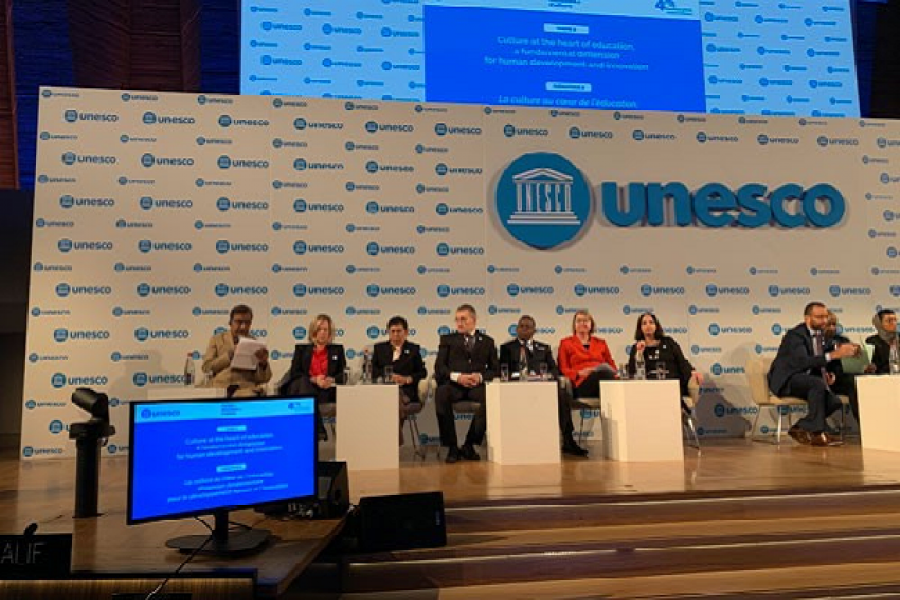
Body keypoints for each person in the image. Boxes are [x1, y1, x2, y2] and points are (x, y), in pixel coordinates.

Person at [767, 302, 859, 446]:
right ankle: (817, 433)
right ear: (807, 318)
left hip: (808, 380)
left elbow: (822, 361)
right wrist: (834, 354)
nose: (824, 321)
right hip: (787, 379)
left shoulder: (822, 336)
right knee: (816, 384)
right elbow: (803, 362)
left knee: (833, 402)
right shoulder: (795, 335)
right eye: (819, 317)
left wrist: (830, 373)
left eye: (825, 317)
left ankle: (801, 427)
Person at [499, 315, 589, 457]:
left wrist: (545, 376)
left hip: (542, 387)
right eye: (521, 326)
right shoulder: (507, 348)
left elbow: (554, 370)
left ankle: (568, 439)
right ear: (516, 329)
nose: (523, 329)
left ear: (534, 330)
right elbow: (503, 371)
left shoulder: (544, 348)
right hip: (517, 388)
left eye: (527, 327)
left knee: (562, 393)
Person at [434, 304, 499, 464]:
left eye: (463, 319)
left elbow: (495, 369)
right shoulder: (447, 340)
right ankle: (452, 447)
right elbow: (439, 368)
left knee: (491, 397)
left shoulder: (487, 342)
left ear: (474, 320)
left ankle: (469, 444)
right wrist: (458, 377)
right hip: (454, 386)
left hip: (476, 386)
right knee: (441, 393)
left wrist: (480, 377)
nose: (459, 323)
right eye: (457, 320)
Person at [280, 314, 347, 439]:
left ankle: (314, 430)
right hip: (305, 388)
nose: (322, 333)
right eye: (319, 329)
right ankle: (319, 429)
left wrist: (331, 380)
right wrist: (315, 379)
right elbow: (295, 372)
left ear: (330, 332)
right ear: (313, 331)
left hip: (325, 391)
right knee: (303, 382)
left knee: (308, 392)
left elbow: (343, 374)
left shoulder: (337, 350)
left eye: (325, 330)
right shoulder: (301, 349)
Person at [626, 313, 703, 412]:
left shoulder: (668, 342)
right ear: (640, 328)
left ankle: (678, 412)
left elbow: (682, 361)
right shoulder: (636, 347)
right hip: (650, 387)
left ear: (656, 325)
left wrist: (693, 371)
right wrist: (639, 353)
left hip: (671, 383)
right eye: (644, 323)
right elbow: (632, 371)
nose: (648, 325)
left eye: (651, 322)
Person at [371, 316, 428, 444]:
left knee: (394, 399)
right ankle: (395, 441)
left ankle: (389, 443)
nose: (396, 334)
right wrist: (388, 376)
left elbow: (422, 372)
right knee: (393, 400)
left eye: (399, 331)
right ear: (388, 332)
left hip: (406, 391)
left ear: (406, 332)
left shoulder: (413, 349)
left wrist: (407, 379)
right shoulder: (379, 349)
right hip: (383, 391)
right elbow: (372, 370)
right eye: (393, 331)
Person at [201, 304, 271, 396]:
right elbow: (206, 367)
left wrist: (263, 364)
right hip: (221, 388)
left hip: (246, 391)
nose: (243, 327)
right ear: (230, 322)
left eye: (247, 323)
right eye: (239, 322)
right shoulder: (217, 340)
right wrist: (230, 355)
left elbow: (264, 379)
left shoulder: (255, 344)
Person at [557, 310, 617, 400]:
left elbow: (611, 365)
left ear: (591, 324)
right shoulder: (566, 343)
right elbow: (563, 368)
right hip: (581, 382)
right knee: (605, 377)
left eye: (585, 321)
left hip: (603, 377)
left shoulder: (601, 343)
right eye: (579, 321)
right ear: (574, 325)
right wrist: (579, 373)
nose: (582, 323)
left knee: (606, 374)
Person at [824, 310, 861, 426]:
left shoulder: (843, 340)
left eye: (834, 324)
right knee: (852, 383)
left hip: (847, 375)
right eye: (828, 325)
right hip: (830, 380)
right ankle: (862, 422)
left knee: (862, 381)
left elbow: (853, 360)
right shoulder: (815, 343)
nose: (832, 328)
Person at [866, 309, 898, 375]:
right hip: (881, 378)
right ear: (879, 323)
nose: (893, 323)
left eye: (895, 320)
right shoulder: (872, 341)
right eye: (889, 321)